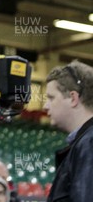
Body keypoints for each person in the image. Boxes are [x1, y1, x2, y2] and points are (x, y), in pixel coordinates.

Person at [44, 60, 93, 202]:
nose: (46, 106)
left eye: (51, 98)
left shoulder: (89, 144)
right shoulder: (84, 142)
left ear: (73, 98)